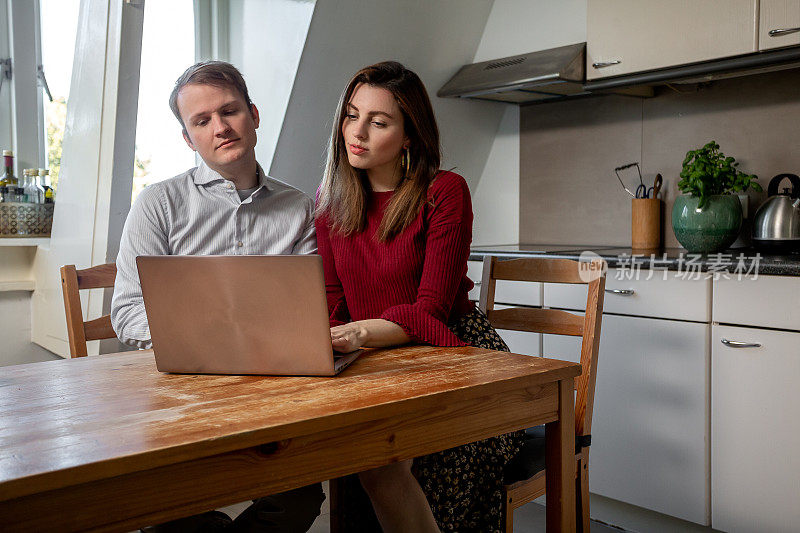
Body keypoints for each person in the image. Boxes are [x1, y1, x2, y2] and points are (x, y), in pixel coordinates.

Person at [111, 61, 323, 532]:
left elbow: (307, 309)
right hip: (178, 398)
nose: (220, 128)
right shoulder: (158, 204)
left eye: (229, 111)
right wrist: (219, 338)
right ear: (188, 139)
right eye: (201, 121)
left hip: (272, 394)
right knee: (164, 511)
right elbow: (126, 313)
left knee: (301, 495)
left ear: (254, 114)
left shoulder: (299, 208)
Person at [315, 61, 523, 533]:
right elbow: (334, 307)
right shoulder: (329, 206)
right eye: (351, 116)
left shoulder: (444, 192)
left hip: (456, 355)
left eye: (379, 122)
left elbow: (429, 314)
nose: (358, 132)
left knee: (393, 467)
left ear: (409, 136)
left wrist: (359, 330)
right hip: (375, 360)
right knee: (352, 454)